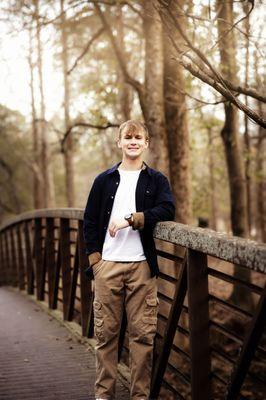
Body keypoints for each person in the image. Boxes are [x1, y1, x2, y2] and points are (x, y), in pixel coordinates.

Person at [83, 120, 175, 400]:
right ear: (119, 142)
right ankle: (103, 395)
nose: (133, 141)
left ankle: (139, 397)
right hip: (107, 266)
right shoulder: (104, 180)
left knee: (143, 339)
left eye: (138, 137)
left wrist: (134, 219)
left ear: (146, 143)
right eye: (128, 137)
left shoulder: (156, 180)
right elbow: (89, 220)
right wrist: (96, 260)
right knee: (106, 338)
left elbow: (168, 208)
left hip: (142, 268)